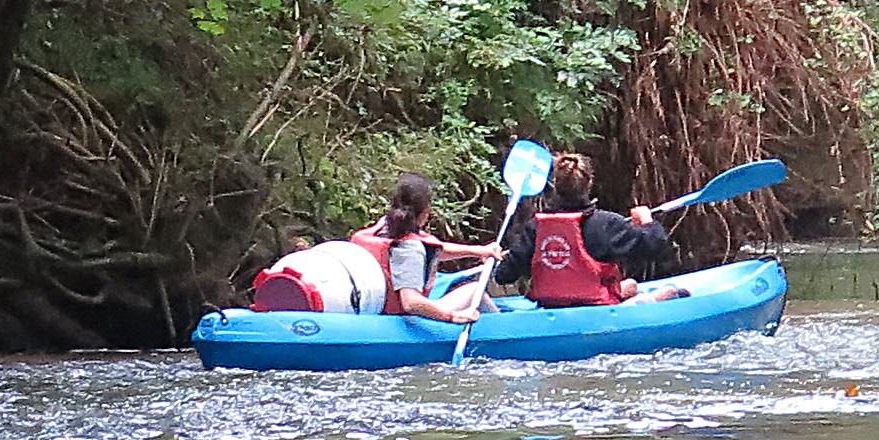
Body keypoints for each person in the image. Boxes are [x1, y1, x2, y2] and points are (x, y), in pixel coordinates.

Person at [247, 176, 488, 322]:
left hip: (366, 304)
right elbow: (411, 303)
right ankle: (500, 326)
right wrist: (450, 316)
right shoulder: (410, 248)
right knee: (474, 289)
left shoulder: (381, 229)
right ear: (425, 214)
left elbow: (432, 251)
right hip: (395, 318)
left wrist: (478, 251)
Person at [502, 151, 678, 307]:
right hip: (596, 309)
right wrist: (647, 221)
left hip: (552, 307)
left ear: (555, 184)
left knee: (630, 284)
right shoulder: (607, 223)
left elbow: (504, 275)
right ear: (590, 182)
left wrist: (502, 260)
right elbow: (655, 244)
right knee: (670, 291)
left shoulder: (536, 226)